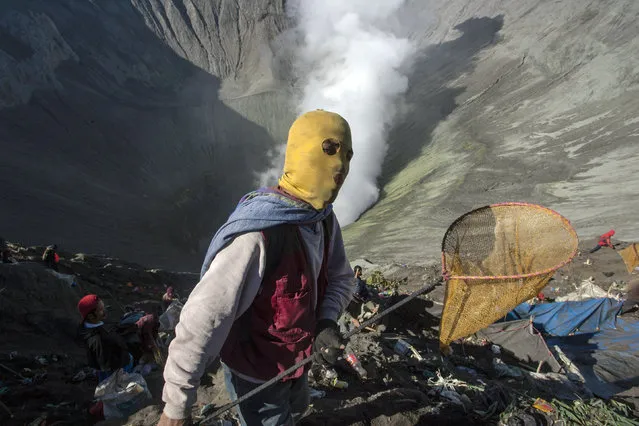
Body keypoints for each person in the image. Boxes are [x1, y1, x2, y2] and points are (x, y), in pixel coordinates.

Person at [159, 110, 355, 426]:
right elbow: (202, 320)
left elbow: (341, 278)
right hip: (255, 374)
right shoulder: (257, 235)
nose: (340, 165)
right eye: (329, 148)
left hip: (296, 365)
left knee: (297, 410)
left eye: (347, 155)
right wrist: (175, 408)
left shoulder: (323, 220)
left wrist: (326, 322)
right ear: (301, 150)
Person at [76, 294, 134, 382]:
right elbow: (105, 363)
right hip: (116, 368)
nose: (105, 311)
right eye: (101, 310)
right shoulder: (97, 338)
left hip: (110, 363)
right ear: (91, 316)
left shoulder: (86, 327)